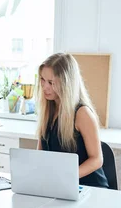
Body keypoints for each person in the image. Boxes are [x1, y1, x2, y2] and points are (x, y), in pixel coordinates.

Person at [36, 53, 109, 188]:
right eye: (42, 79)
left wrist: (67, 177)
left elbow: (97, 160)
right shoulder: (47, 111)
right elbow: (41, 155)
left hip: (89, 188)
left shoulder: (82, 114)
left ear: (66, 83)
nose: (45, 87)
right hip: (62, 187)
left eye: (51, 82)